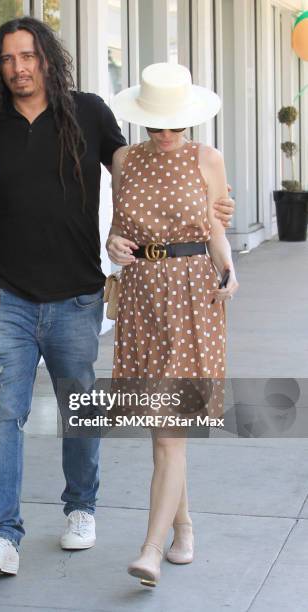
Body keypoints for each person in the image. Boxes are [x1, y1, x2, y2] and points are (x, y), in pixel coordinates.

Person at [0, 17, 235, 577]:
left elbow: (142, 176)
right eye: (9, 58)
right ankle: (2, 535)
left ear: (47, 59)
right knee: (2, 413)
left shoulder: (89, 113)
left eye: (29, 56)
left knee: (82, 413)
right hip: (6, 296)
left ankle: (82, 508)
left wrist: (212, 215)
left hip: (80, 297)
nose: (20, 67)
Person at [106, 62, 239, 587]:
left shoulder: (208, 159)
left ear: (189, 120)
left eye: (174, 125)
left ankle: (150, 549)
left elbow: (217, 232)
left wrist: (229, 271)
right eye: (155, 125)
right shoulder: (121, 159)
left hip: (191, 297)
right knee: (163, 430)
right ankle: (184, 527)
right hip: (141, 296)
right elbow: (118, 234)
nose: (165, 135)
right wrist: (111, 247)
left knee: (169, 432)